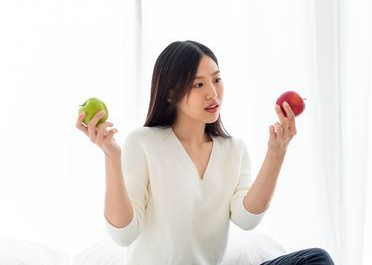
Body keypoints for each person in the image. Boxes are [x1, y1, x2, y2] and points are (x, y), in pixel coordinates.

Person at [75, 40, 334, 265]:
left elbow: (246, 219)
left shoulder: (233, 149)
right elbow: (124, 234)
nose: (213, 93)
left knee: (316, 259)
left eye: (217, 80)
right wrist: (112, 156)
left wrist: (276, 151)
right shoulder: (142, 143)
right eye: (198, 85)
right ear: (170, 94)